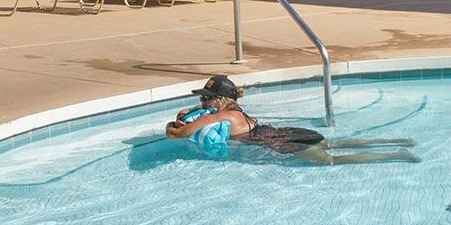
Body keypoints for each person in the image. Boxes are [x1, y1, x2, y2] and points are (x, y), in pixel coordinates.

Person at [163, 75, 417, 163]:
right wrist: (194, 111)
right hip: (278, 131)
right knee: (332, 144)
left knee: (328, 160)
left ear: (218, 100)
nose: (203, 103)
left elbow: (176, 134)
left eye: (207, 99)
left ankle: (393, 154)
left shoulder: (223, 117)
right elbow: (202, 113)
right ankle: (395, 140)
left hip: (275, 143)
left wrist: (172, 124)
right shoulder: (236, 112)